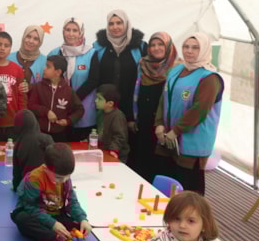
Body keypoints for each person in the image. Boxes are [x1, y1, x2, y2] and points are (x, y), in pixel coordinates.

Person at [154, 33, 224, 195]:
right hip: (168, 137)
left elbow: (200, 110)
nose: (189, 51)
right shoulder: (177, 70)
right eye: (186, 47)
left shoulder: (210, 78)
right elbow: (164, 98)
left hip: (191, 142)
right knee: (168, 184)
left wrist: (176, 131)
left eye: (195, 47)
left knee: (189, 189)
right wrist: (159, 124)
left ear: (204, 50)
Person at [11, 144, 92, 241]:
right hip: (35, 215)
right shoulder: (34, 179)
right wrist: (53, 224)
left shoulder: (64, 177)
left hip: (56, 215)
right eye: (59, 177)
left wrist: (82, 219)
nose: (64, 180)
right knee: (22, 219)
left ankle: (45, 236)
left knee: (78, 224)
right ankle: (55, 238)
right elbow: (31, 208)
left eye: (68, 176)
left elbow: (72, 201)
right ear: (45, 169)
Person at [77, 9, 146, 127]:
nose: (115, 27)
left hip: (130, 107)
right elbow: (93, 76)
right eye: (111, 23)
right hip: (103, 108)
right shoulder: (98, 47)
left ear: (126, 24)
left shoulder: (140, 47)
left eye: (119, 23)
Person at [129, 32, 178, 183]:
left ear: (168, 46)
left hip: (162, 124)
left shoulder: (177, 68)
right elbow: (134, 90)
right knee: (141, 161)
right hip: (143, 119)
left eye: (160, 44)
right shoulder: (142, 64)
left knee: (158, 163)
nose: (156, 48)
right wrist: (133, 117)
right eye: (152, 45)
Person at [48, 18, 97, 141]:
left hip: (85, 110)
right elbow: (48, 79)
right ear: (63, 31)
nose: (71, 34)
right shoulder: (54, 53)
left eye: (75, 30)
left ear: (81, 32)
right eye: (68, 30)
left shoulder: (91, 53)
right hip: (59, 110)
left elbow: (94, 80)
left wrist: (73, 99)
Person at [27, 54, 84, 142]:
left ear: (58, 72)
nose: (44, 69)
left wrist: (68, 121)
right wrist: (47, 112)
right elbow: (31, 105)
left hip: (60, 135)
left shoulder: (68, 91)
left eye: (48, 67)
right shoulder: (38, 87)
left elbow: (80, 110)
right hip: (39, 132)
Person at [0, 31, 26, 142]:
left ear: (10, 49)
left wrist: (22, 117)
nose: (2, 48)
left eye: (6, 46)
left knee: (12, 150)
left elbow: (22, 96)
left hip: (12, 122)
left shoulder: (17, 69)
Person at [11, 109, 54, 192]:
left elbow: (16, 171)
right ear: (35, 122)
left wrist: (16, 186)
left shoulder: (19, 144)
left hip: (28, 186)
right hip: (47, 185)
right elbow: (55, 161)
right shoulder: (47, 138)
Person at [96, 84, 130, 161]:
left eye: (99, 99)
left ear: (110, 103)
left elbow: (120, 136)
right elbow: (100, 131)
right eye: (96, 98)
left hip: (116, 155)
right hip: (104, 151)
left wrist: (114, 150)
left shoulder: (118, 116)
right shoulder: (100, 113)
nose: (96, 101)